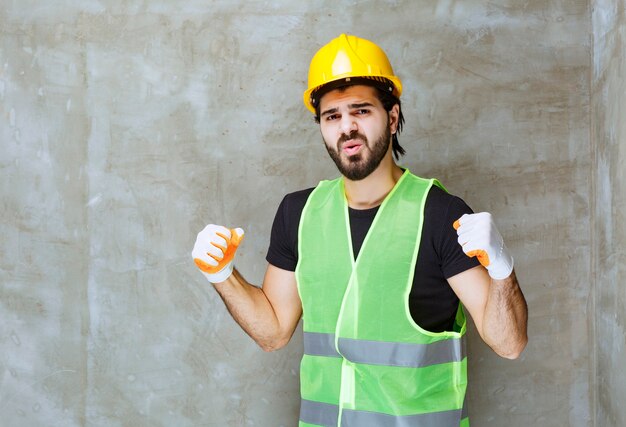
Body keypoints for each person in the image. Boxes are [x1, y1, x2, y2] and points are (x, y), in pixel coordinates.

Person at [192, 34, 528, 427]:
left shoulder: (439, 215)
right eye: (332, 116)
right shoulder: (299, 213)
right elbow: (273, 332)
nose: (347, 127)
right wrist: (222, 274)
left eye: (361, 110)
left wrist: (503, 272)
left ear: (393, 116)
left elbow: (509, 344)